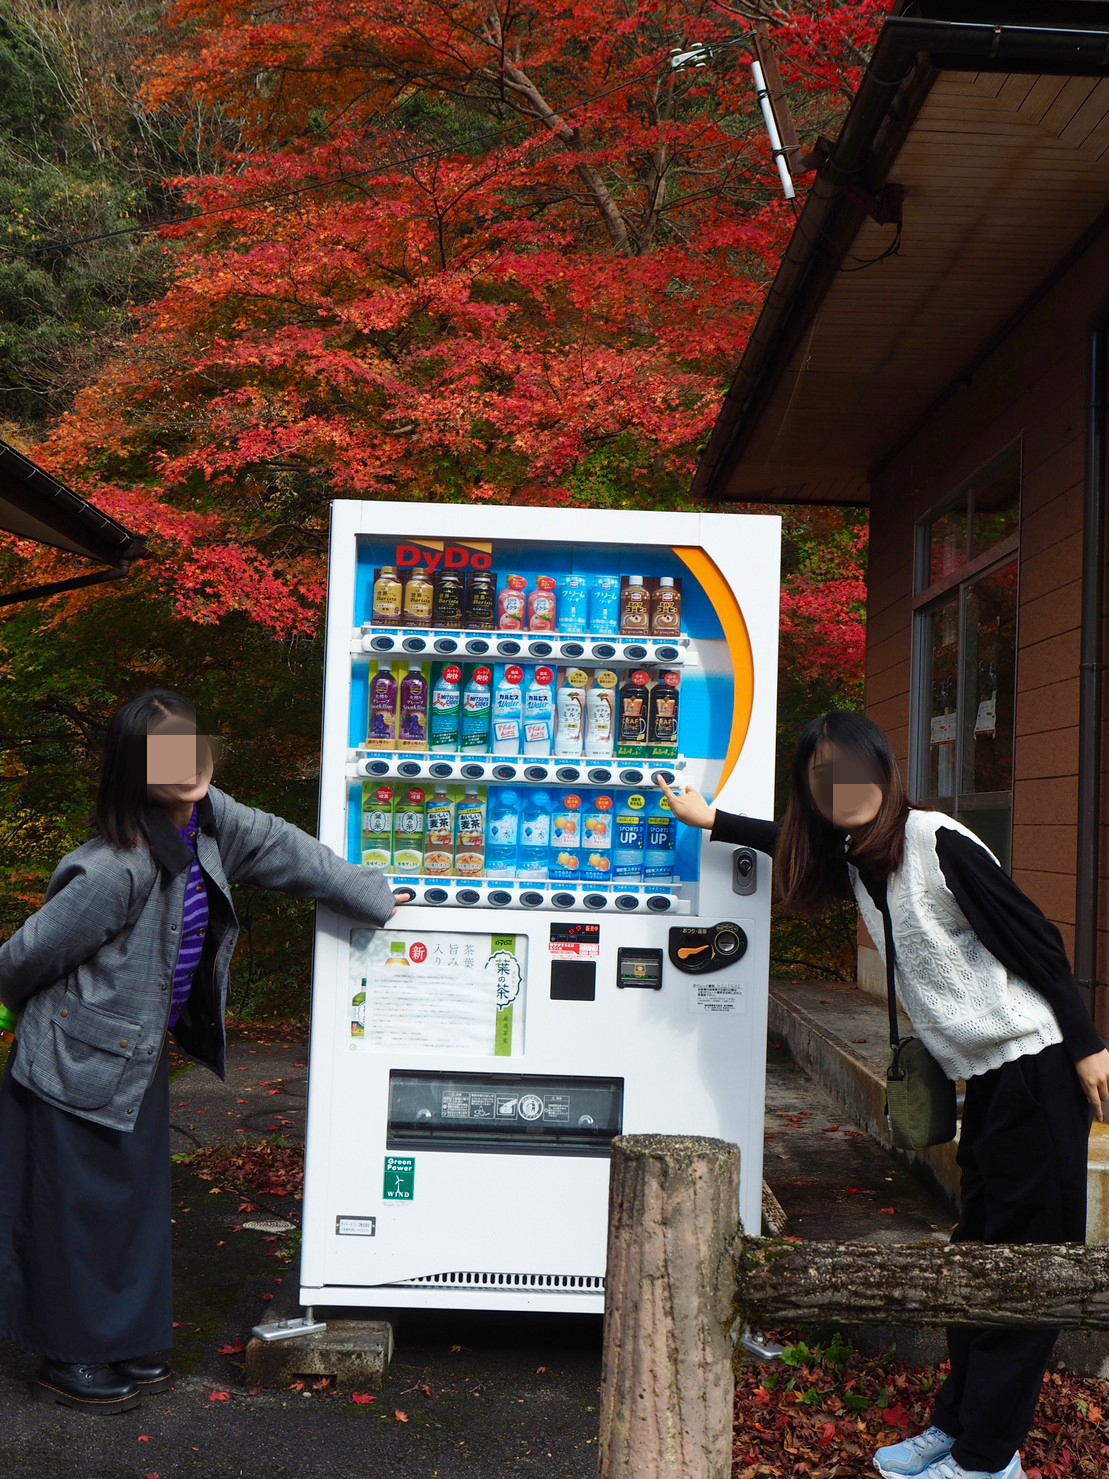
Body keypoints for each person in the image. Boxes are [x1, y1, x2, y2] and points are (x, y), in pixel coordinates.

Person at [658, 710, 1109, 1479]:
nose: (842, 787)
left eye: (852, 768)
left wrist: (1087, 1043)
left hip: (1035, 1068)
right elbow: (792, 844)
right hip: (992, 1080)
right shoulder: (861, 857)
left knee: (1021, 1272)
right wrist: (713, 820)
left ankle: (986, 1459)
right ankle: (957, 1427)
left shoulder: (934, 840)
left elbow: (1035, 935)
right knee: (975, 1263)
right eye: (822, 777)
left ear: (882, 767)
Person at [0, 689, 412, 1413]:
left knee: (131, 1207)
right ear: (135, 769)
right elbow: (27, 955)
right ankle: (70, 1355)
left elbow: (284, 847)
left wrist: (370, 893)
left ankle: (121, 1339)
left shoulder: (212, 822)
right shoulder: (112, 867)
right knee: (75, 1212)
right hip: (72, 1060)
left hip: (133, 1055)